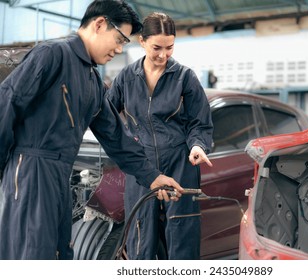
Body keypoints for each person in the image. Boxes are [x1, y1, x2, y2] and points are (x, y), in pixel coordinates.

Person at [0, 0, 183, 260]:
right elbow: (7, 102)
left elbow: (115, 135)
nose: (119, 49)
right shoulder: (52, 56)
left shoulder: (92, 80)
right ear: (99, 24)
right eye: (119, 39)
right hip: (30, 170)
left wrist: (152, 176)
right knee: (31, 252)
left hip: (60, 174)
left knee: (60, 251)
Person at [107, 12, 213, 260]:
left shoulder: (185, 77)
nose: (163, 55)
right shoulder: (125, 78)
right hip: (141, 166)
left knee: (181, 234)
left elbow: (201, 122)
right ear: (142, 41)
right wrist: (125, 148)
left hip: (180, 163)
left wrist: (197, 146)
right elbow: (107, 119)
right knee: (140, 234)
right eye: (157, 47)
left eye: (170, 47)